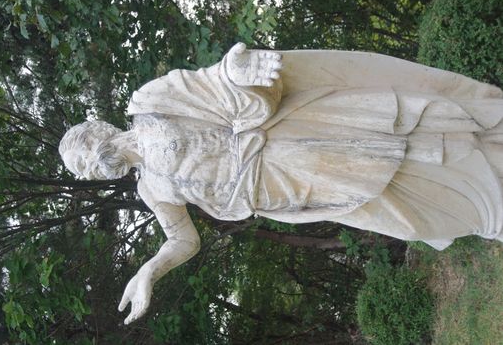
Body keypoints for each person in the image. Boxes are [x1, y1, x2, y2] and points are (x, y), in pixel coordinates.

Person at [59, 43, 503, 324]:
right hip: (281, 194)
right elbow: (182, 239)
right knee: (399, 217)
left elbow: (210, 84)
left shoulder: (148, 104)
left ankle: (484, 147)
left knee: (389, 143)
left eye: (84, 160)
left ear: (94, 131)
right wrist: (149, 270)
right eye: (86, 175)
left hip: (285, 145)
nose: (92, 171)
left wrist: (237, 70)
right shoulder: (150, 189)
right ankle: (483, 208)